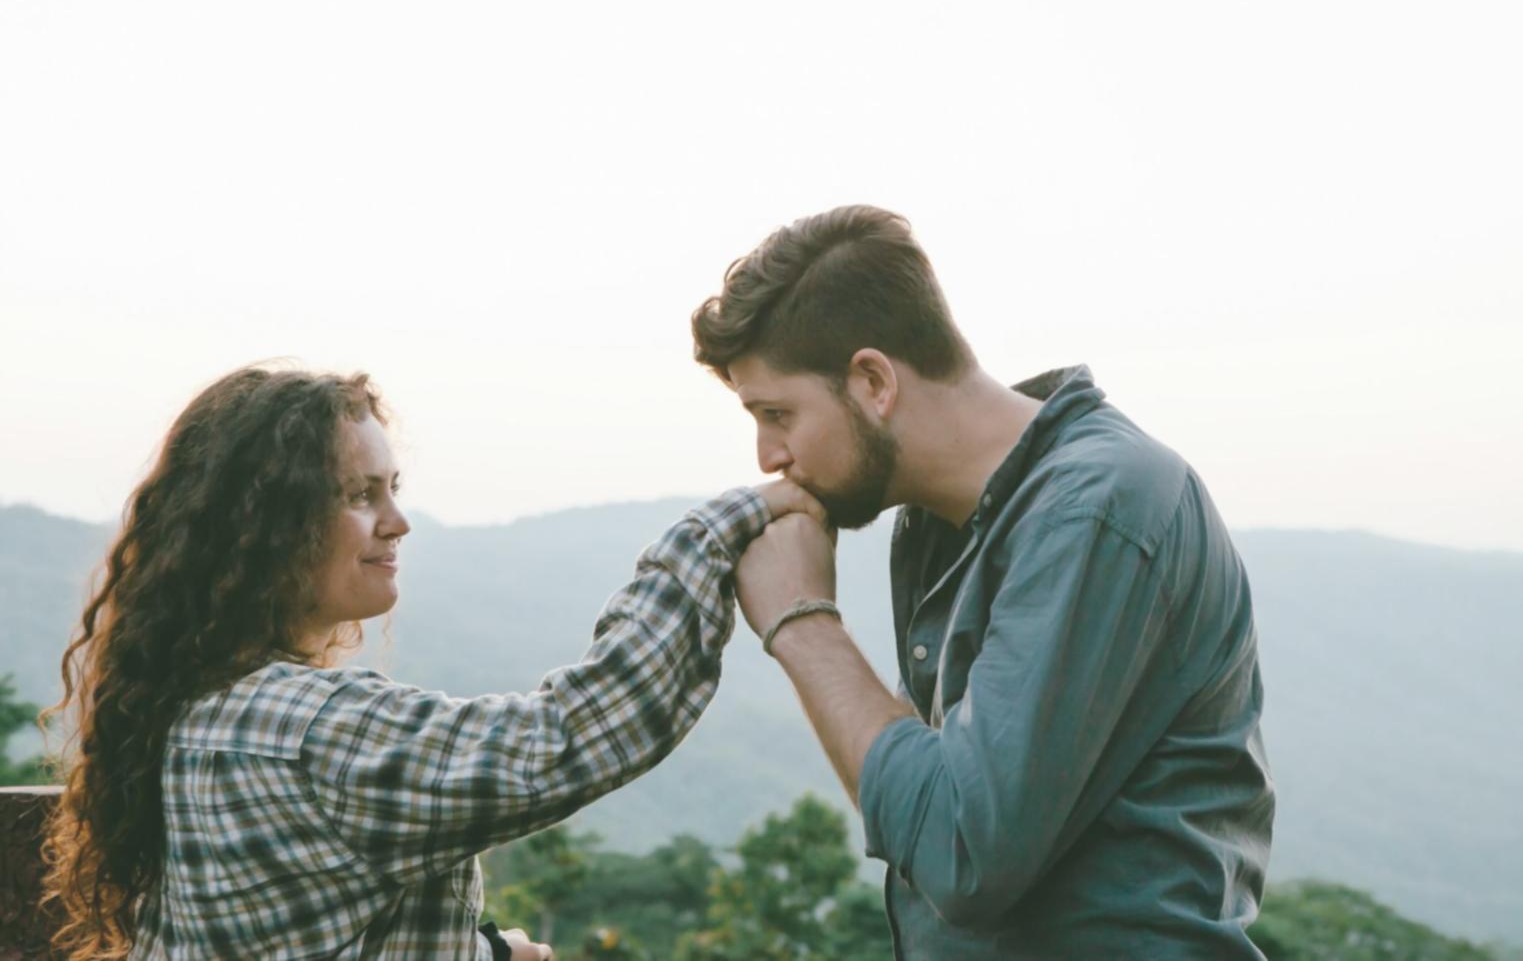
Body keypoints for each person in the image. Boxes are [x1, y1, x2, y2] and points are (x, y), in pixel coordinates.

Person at [40, 365, 821, 960]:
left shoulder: (197, 707)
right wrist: (719, 530)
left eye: (393, 488)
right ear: (270, 526)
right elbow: (564, 739)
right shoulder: (307, 730)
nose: (397, 521)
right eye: (359, 494)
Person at [691, 205, 1276, 958]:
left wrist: (801, 621)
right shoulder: (940, 524)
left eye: (777, 412)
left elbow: (963, 852)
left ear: (872, 380)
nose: (768, 453)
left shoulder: (1096, 506)